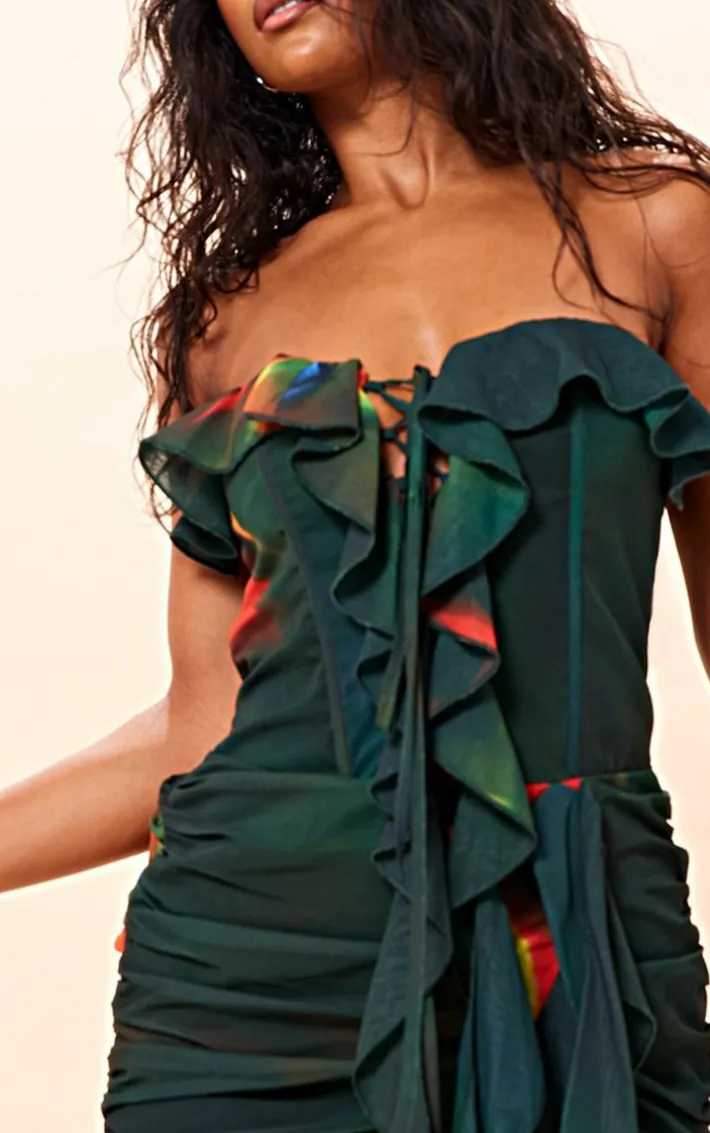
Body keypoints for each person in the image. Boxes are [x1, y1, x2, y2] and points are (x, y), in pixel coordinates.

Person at [3, 0, 710, 1130]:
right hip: (249, 987)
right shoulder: (223, 328)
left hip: (570, 948)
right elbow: (205, 723)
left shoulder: (656, 227)